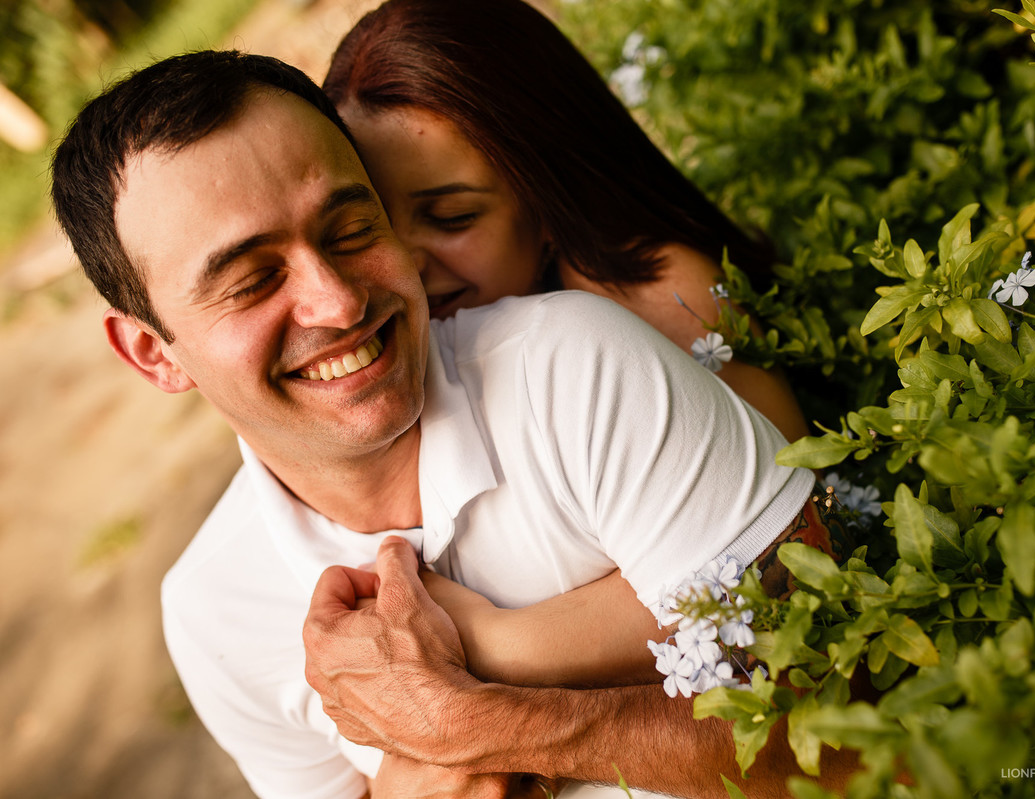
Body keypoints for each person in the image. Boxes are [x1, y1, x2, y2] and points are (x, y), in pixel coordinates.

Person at [50, 50, 850, 799]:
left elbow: (855, 729)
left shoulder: (579, 369)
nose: (339, 302)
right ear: (155, 353)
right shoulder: (214, 609)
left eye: (350, 229)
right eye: (254, 279)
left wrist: (483, 724)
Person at [322, 0, 809, 444]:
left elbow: (806, 512)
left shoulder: (656, 298)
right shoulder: (367, 344)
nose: (405, 258)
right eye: (367, 224)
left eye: (453, 217)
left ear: (549, 194)